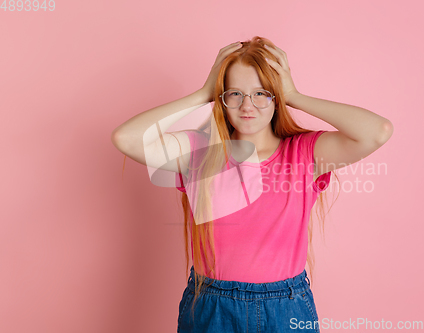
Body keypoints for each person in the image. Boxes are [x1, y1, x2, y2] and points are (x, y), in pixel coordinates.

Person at [111, 36, 393, 333]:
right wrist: (202, 94)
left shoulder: (304, 154)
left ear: (276, 96)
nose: (248, 105)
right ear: (222, 97)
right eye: (235, 93)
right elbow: (126, 138)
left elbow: (377, 131)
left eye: (262, 93)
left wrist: (294, 95)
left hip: (284, 308)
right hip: (211, 306)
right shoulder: (200, 152)